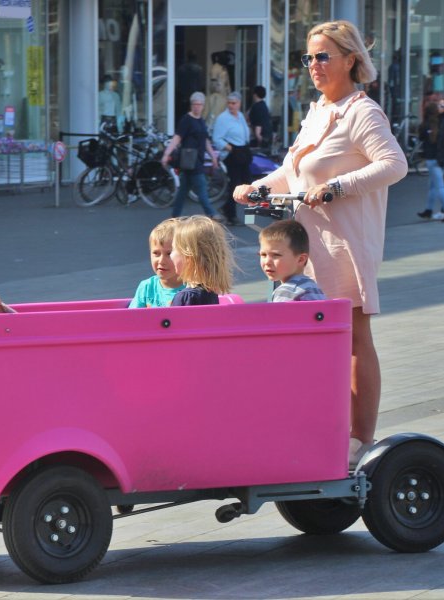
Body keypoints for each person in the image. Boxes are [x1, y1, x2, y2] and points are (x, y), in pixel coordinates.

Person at [232, 20, 407, 466]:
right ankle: (323, 427)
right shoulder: (317, 111)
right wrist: (258, 186)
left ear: (351, 60)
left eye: (324, 56)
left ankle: (359, 440)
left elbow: (394, 164)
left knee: (353, 337)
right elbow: (294, 174)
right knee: (314, 337)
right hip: (309, 245)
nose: (314, 65)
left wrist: (338, 187)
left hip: (345, 244)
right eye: (309, 57)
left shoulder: (363, 112)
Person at [160, 92, 220, 220]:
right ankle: (211, 213)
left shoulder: (201, 121)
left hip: (197, 159)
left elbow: (205, 141)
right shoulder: (186, 120)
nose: (197, 107)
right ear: (191, 105)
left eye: (200, 104)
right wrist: (167, 153)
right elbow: (177, 138)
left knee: (183, 190)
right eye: (195, 104)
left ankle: (174, 215)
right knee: (201, 185)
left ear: (203, 106)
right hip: (190, 160)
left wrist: (213, 156)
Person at [169, 215, 233, 306]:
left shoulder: (185, 297)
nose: (170, 255)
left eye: (173, 249)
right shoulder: (211, 294)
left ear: (189, 257)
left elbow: (175, 320)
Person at [259, 220, 326, 302]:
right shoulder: (314, 287)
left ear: (301, 259)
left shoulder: (287, 292)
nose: (267, 262)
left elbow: (276, 315)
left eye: (276, 255)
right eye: (263, 255)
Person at [212, 91, 251, 226]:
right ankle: (231, 214)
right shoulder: (223, 118)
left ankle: (228, 209)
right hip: (233, 153)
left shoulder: (240, 116)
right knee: (234, 184)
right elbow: (217, 138)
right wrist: (231, 148)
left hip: (243, 150)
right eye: (229, 103)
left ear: (239, 104)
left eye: (234, 103)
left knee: (246, 183)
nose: (231, 106)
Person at [128, 218, 185, 308]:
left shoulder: (192, 289)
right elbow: (131, 319)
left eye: (169, 254)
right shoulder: (147, 287)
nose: (161, 261)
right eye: (156, 253)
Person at [416, 101, 444, 222]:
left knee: (439, 186)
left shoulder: (425, 125)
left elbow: (421, 137)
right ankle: (428, 209)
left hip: (432, 159)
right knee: (433, 185)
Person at [248, 85, 273, 151]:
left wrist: (259, 137)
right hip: (268, 136)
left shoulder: (256, 107)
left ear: (255, 95)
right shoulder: (264, 106)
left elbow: (258, 126)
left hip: (261, 139)